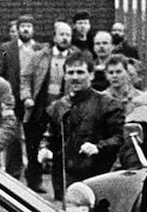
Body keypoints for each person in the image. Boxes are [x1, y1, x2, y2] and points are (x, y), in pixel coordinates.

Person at [44, 51, 124, 200]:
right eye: (71, 72)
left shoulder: (108, 104)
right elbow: (49, 135)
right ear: (65, 76)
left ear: (91, 75)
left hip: (96, 176)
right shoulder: (57, 106)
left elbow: (120, 138)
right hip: (64, 179)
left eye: (80, 72)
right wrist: (45, 149)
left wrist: (98, 147)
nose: (75, 77)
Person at [20, 20, 76, 192]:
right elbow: (25, 77)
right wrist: (27, 97)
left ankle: (59, 188)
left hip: (62, 109)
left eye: (68, 35)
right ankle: (34, 183)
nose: (65, 38)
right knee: (33, 146)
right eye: (62, 34)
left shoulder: (75, 58)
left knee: (60, 148)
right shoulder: (40, 56)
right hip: (39, 108)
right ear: (54, 36)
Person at [0, 14, 41, 180]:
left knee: (33, 139)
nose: (26, 29)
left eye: (29, 26)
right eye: (23, 26)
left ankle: (34, 178)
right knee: (12, 137)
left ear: (33, 29)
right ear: (18, 29)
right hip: (12, 97)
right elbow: (0, 72)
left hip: (32, 100)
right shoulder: (6, 48)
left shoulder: (40, 49)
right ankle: (13, 174)